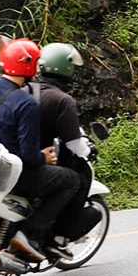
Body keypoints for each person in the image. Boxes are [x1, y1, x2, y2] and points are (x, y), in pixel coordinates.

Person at [0, 38, 80, 262]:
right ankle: (30, 235)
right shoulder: (25, 103)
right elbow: (29, 156)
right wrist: (44, 157)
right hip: (6, 172)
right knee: (70, 180)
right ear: (31, 67)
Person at [33, 41, 101, 247]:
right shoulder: (62, 100)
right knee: (76, 179)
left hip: (16, 152)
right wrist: (88, 151)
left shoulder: (25, 89)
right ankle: (53, 235)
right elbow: (74, 145)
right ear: (66, 67)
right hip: (39, 159)